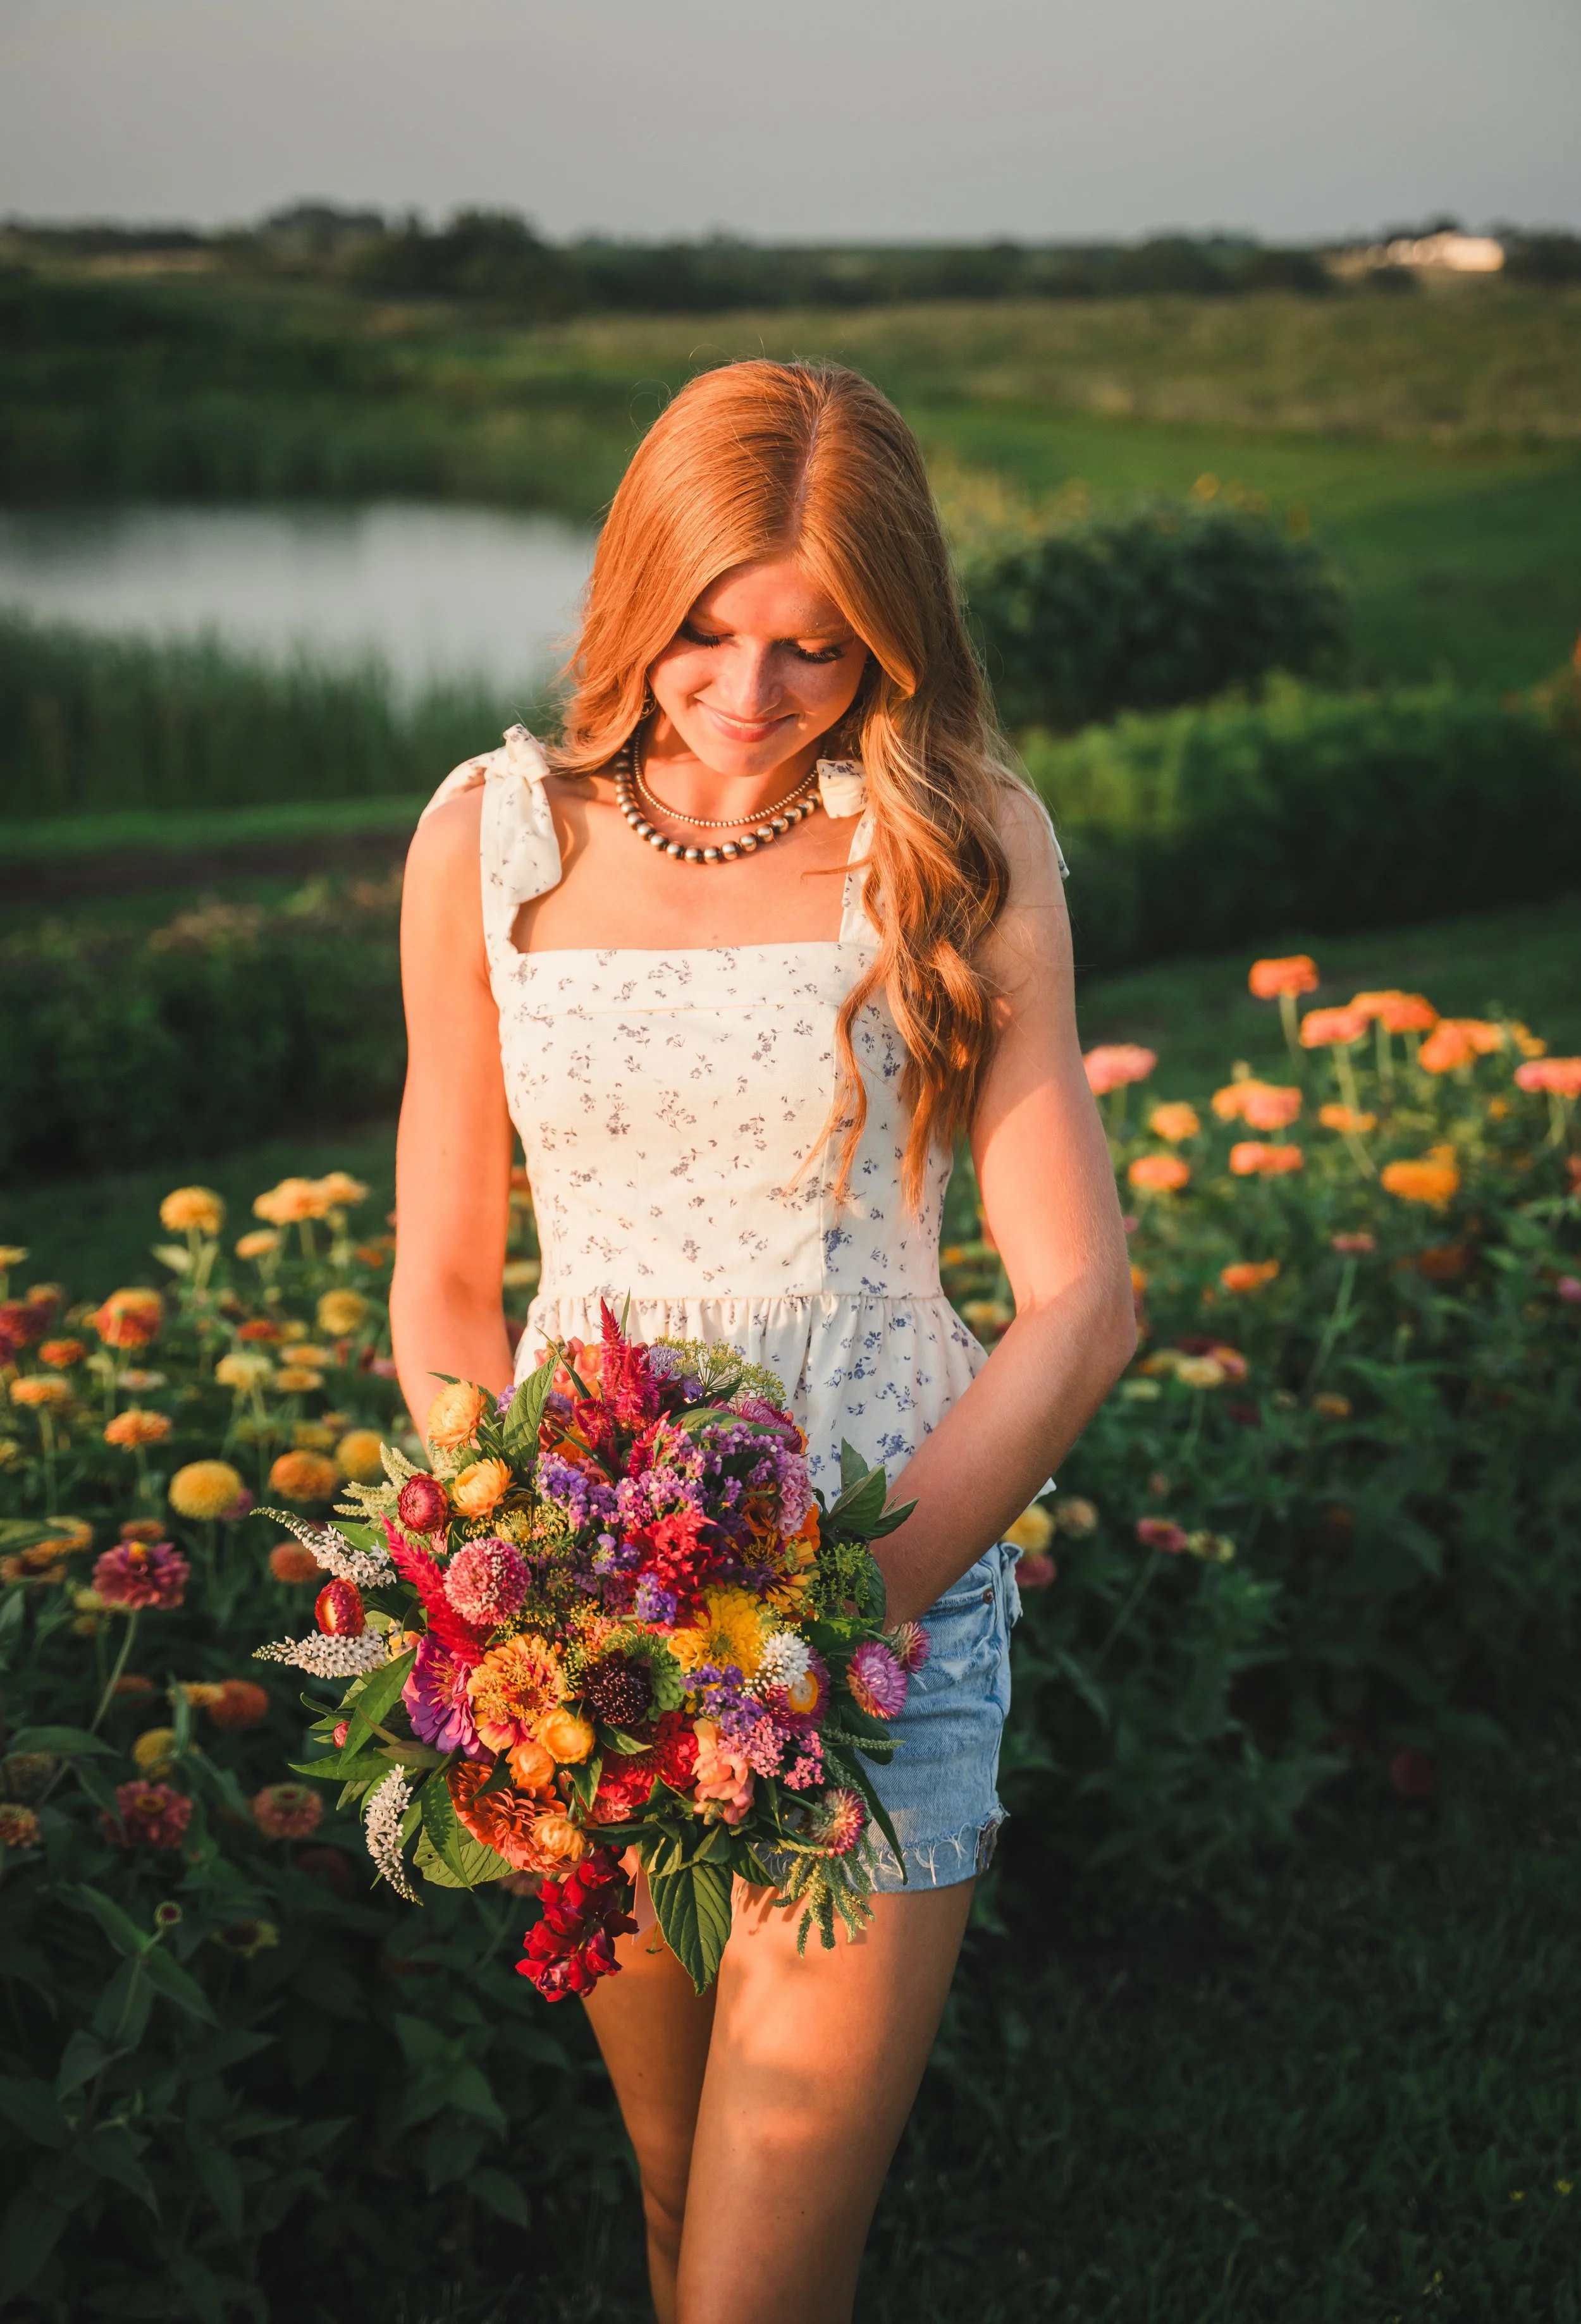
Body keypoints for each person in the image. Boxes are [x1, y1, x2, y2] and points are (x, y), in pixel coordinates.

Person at [391, 360, 1135, 2324]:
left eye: (815, 647)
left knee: (751, 2288)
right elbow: (448, 1275)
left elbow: (1081, 1298)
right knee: (664, 2197)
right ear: (637, 592)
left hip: (881, 1618)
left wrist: (847, 1612)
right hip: (586, 1641)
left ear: (890, 641)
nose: (745, 690)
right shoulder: (489, 837)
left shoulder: (958, 841)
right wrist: (519, 1592)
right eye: (706, 629)